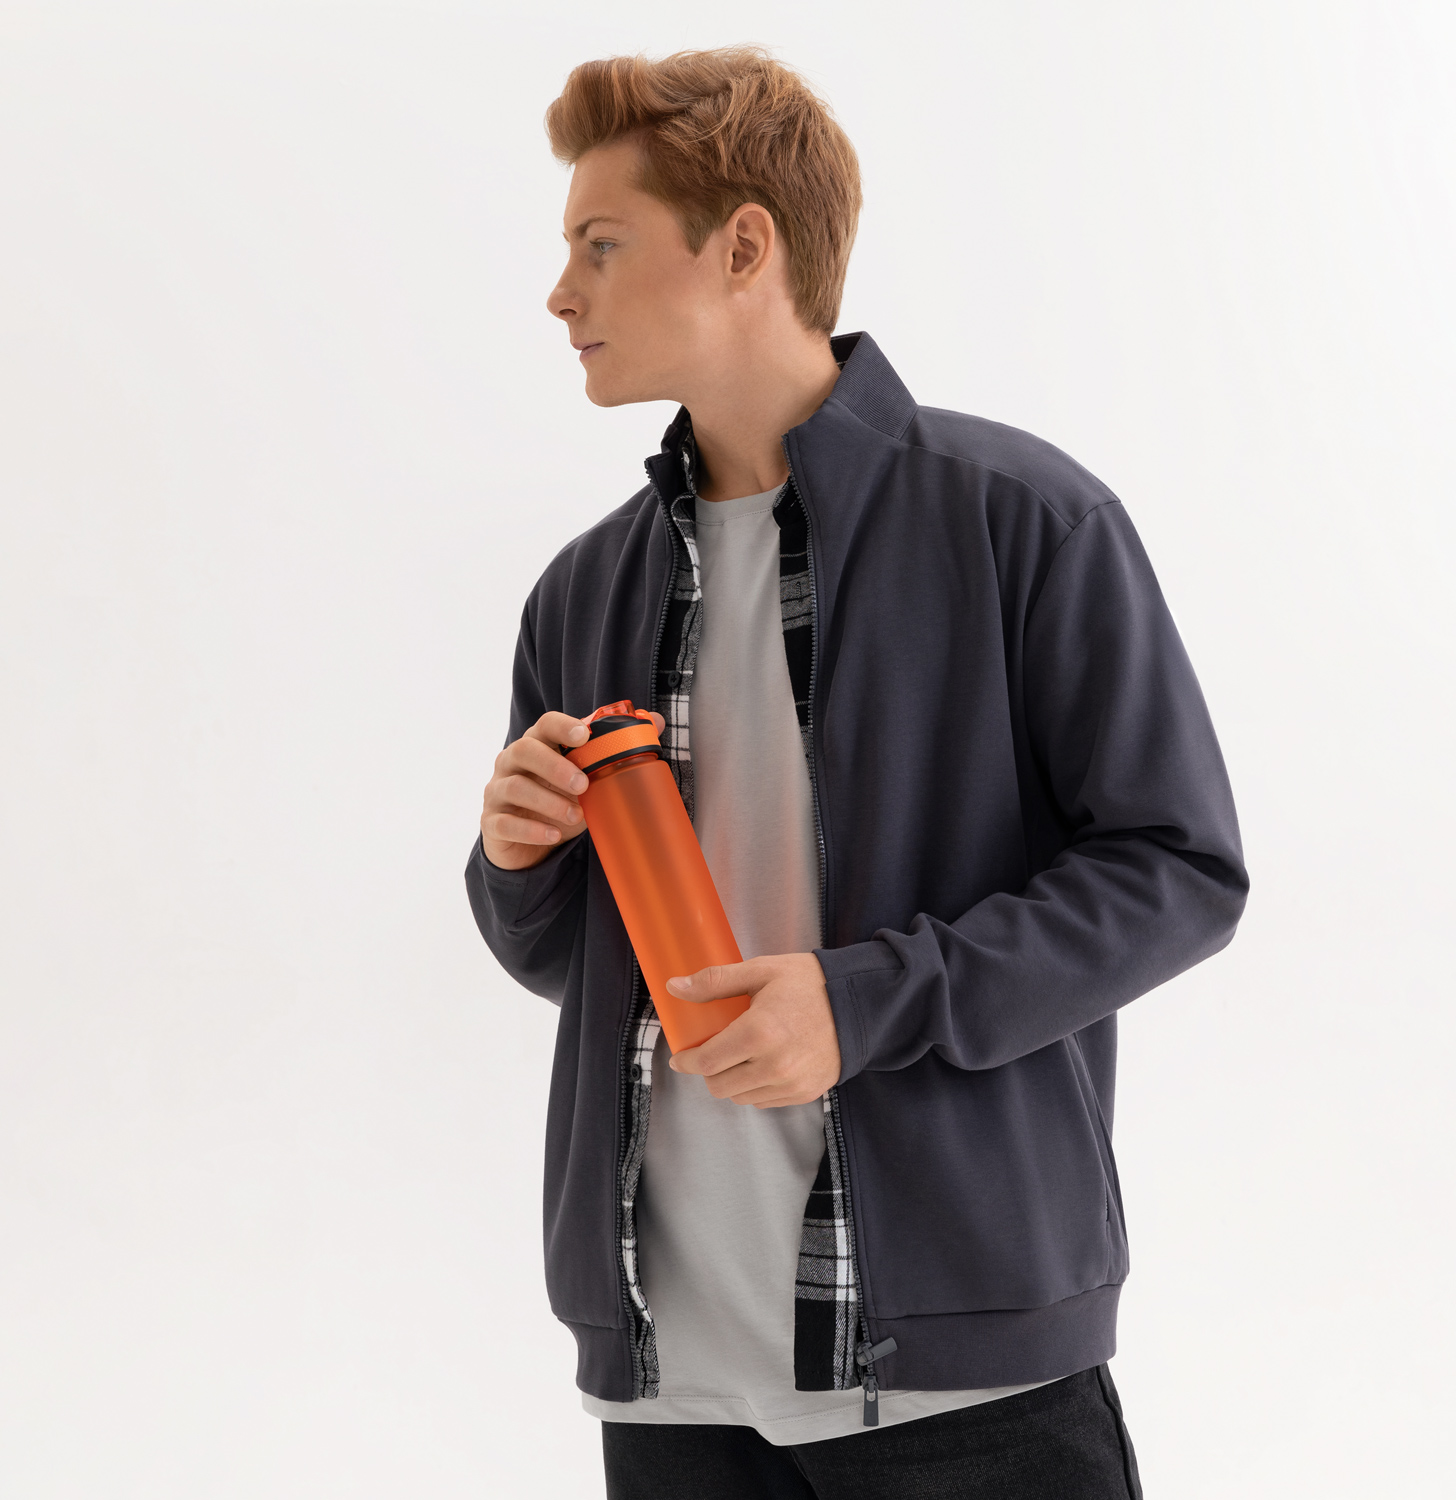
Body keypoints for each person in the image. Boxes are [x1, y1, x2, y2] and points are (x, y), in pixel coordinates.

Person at [467, 46, 1247, 1500]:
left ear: (743, 246)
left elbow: (1179, 870)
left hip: (959, 1372)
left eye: (601, 244)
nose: (561, 294)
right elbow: (584, 967)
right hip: (673, 1377)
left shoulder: (1021, 521)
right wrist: (517, 867)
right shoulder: (581, 593)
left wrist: (864, 1003)